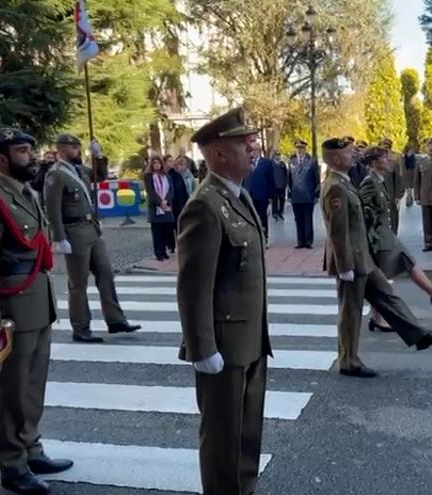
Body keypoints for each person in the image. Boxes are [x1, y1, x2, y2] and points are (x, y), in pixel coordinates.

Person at [0, 127, 73, 495]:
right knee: (10, 390)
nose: (31, 156)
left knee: (32, 386)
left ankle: (31, 448)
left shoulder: (26, 192)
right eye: (23, 151)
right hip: (11, 309)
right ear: (1, 160)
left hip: (37, 304)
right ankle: (11, 465)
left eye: (29, 149)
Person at [176, 108, 272, 495]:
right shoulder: (205, 205)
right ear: (217, 155)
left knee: (248, 432)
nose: (254, 149)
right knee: (222, 438)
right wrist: (202, 348)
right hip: (224, 345)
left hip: (250, 338)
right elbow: (193, 286)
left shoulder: (239, 197)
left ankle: (244, 489)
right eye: (243, 144)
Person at [320, 137, 432, 378]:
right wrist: (344, 266)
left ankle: (419, 334)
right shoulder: (335, 186)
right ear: (337, 159)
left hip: (363, 259)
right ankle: (348, 361)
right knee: (350, 312)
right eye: (350, 154)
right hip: (351, 261)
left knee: (387, 296)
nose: (354, 156)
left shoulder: (346, 182)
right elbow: (336, 231)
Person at [43, 134, 140, 342]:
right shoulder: (56, 174)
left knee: (106, 274)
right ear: (62, 150)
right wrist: (59, 237)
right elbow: (52, 209)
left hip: (92, 228)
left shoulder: (78, 170)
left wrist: (98, 156)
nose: (78, 150)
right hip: (74, 231)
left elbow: (100, 176)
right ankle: (80, 327)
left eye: (78, 147)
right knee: (78, 283)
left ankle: (115, 320)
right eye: (73, 147)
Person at [358, 147, 432, 332]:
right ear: (374, 163)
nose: (388, 161)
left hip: (387, 236)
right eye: (384, 159)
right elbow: (361, 212)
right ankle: (380, 317)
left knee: (406, 264)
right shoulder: (369, 183)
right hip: (379, 239)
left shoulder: (379, 181)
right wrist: (370, 237)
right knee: (383, 279)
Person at [288, 139, 320, 249]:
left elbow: (316, 179)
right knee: (298, 219)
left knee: (307, 218)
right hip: (296, 195)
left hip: (308, 194)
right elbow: (289, 179)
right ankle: (300, 241)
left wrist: (316, 194)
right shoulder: (292, 161)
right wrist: (289, 193)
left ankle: (308, 241)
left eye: (301, 148)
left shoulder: (311, 161)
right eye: (297, 148)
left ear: (305, 149)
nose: (299, 150)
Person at [242, 142, 275, 246]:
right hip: (248, 194)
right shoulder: (246, 162)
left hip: (262, 195)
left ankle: (264, 238)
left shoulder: (266, 163)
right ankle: (252, 238)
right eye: (251, 150)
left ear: (259, 151)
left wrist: (271, 196)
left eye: (255, 150)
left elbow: (271, 180)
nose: (253, 152)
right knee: (249, 217)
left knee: (262, 217)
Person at [143, 153, 175, 261]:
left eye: (158, 163)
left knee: (167, 230)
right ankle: (159, 253)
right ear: (151, 165)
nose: (157, 165)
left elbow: (171, 190)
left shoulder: (165, 175)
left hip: (166, 207)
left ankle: (165, 250)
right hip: (155, 208)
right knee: (157, 232)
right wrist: (160, 202)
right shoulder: (148, 176)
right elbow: (150, 192)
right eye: (154, 163)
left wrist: (166, 200)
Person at [379, 138, 405, 234]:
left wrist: (398, 195)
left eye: (387, 148)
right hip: (378, 195)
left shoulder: (393, 163)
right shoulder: (373, 164)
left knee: (393, 216)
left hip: (391, 194)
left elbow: (398, 179)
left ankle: (393, 234)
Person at [271, 149, 289, 220]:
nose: (278, 156)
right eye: (276, 155)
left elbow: (286, 174)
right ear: (274, 156)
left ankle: (281, 212)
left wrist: (285, 183)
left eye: (279, 155)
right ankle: (275, 213)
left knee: (282, 200)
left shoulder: (282, 164)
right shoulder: (271, 164)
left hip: (282, 185)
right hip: (274, 185)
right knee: (274, 201)